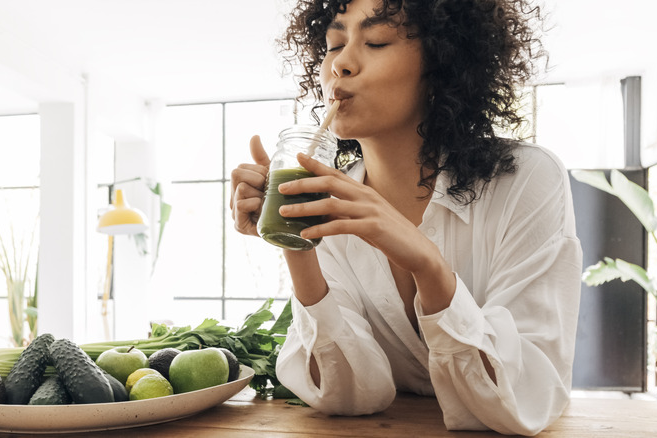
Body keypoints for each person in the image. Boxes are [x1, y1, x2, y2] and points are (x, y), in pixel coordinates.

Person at [230, 0, 582, 434]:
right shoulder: (330, 199)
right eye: (335, 43)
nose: (341, 62)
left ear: (441, 65)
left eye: (376, 42)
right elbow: (349, 396)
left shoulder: (525, 180)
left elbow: (527, 398)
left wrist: (428, 265)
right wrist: (294, 235)